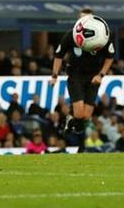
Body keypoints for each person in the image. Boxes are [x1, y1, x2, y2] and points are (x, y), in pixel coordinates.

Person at [49, 8, 115, 151]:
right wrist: (54, 76)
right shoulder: (71, 35)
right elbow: (58, 55)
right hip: (75, 75)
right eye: (81, 19)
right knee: (79, 113)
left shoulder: (102, 36)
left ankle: (72, 124)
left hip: (93, 77)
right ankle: (75, 132)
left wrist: (101, 75)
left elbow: (110, 57)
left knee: (86, 117)